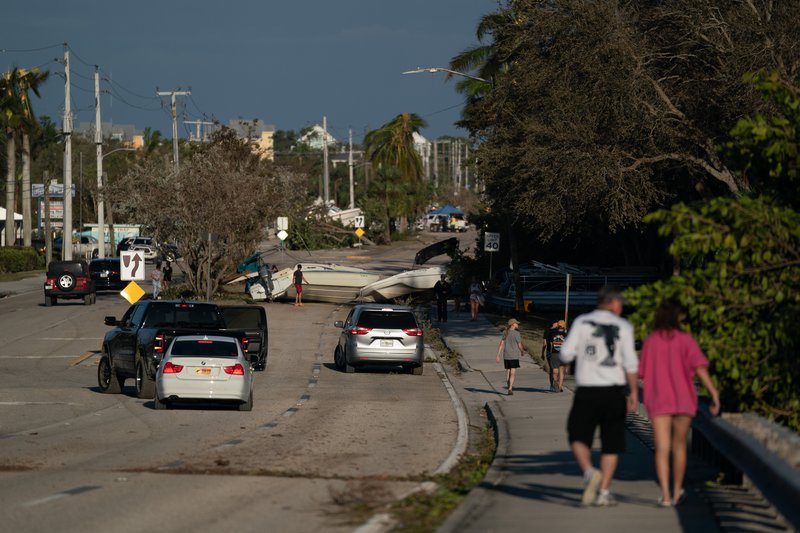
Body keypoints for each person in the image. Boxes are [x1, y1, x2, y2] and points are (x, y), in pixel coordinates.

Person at [559, 287, 639, 507]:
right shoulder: (623, 326)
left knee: (576, 434)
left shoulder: (582, 322)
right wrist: (633, 392)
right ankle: (603, 491)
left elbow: (565, 353)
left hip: (587, 390)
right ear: (613, 304)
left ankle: (588, 472)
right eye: (620, 304)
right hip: (614, 392)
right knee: (611, 443)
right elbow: (631, 363)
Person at [639, 299, 720, 507]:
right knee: (680, 446)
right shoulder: (686, 340)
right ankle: (677, 491)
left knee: (662, 447)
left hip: (658, 400)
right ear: (677, 317)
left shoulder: (651, 341)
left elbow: (642, 372)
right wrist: (713, 393)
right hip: (683, 399)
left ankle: (665, 495)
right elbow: (700, 368)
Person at [496, 318, 523, 395]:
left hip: (506, 355)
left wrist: (498, 355)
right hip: (514, 356)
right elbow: (519, 345)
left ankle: (509, 387)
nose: (518, 325)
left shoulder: (505, 332)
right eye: (517, 323)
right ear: (513, 324)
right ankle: (510, 388)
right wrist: (522, 351)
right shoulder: (517, 334)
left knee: (508, 371)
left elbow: (501, 344)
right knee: (513, 372)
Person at [545, 320, 568, 392]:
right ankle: (560, 386)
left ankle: (555, 381)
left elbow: (551, 344)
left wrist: (551, 353)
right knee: (562, 371)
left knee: (555, 370)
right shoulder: (566, 335)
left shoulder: (552, 333)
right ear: (564, 326)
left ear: (557, 326)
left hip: (554, 353)